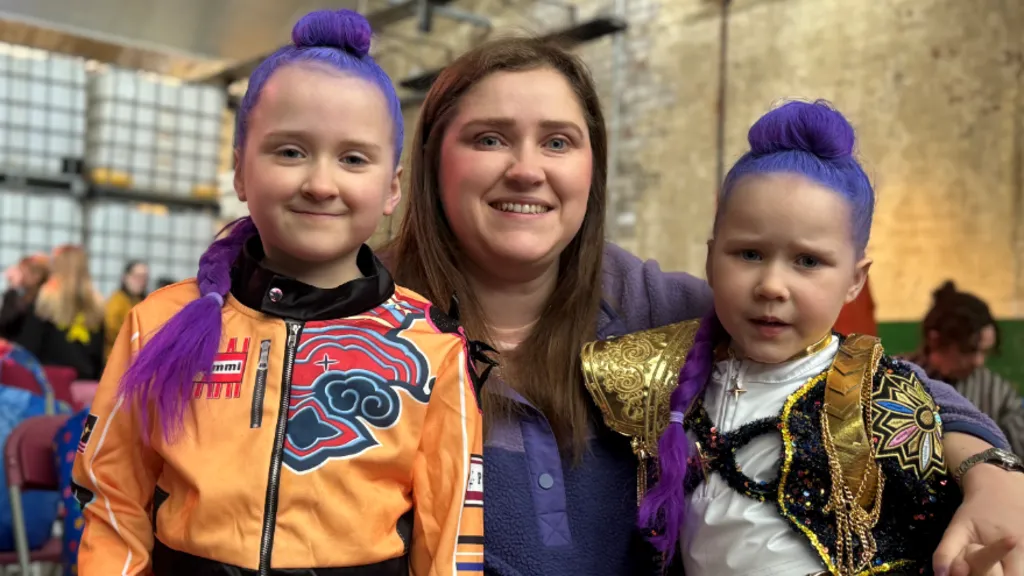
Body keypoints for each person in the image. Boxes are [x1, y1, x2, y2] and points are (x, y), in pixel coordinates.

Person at [380, 38, 1024, 576]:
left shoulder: (659, 306)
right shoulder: (361, 312)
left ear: (592, 170)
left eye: (557, 141)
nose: (526, 169)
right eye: (490, 139)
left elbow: (892, 389)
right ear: (433, 157)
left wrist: (993, 474)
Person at [71, 10, 484, 575]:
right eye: (290, 151)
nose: (319, 182)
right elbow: (111, 495)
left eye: (353, 158)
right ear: (241, 171)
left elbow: (452, 533)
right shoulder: (160, 321)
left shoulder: (433, 345)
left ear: (392, 187)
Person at [583, 100, 1022, 575]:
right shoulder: (658, 378)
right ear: (711, 259)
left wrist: (995, 477)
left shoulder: (883, 399)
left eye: (808, 261)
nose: (772, 285)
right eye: (749, 253)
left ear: (855, 280)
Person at [907, 281, 1024, 456]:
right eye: (969, 350)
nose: (979, 361)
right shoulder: (896, 377)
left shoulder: (997, 393)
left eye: (985, 352)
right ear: (935, 340)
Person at [16, 245, 104, 380]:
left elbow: (29, 348)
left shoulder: (45, 302)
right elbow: (99, 353)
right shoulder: (97, 306)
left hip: (53, 385)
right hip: (88, 385)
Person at [103, 259, 149, 360]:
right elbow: (111, 330)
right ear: (125, 277)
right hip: (117, 358)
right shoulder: (116, 301)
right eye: (137, 276)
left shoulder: (145, 301)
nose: (141, 281)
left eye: (144, 277)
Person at [0, 253, 50, 340]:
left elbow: (6, 324)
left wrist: (13, 287)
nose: (20, 274)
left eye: (23, 271)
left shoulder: (40, 302)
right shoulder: (25, 298)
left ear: (36, 276)